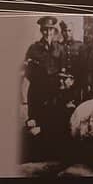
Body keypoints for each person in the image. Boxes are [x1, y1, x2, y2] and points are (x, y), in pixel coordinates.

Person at [21, 16, 67, 156]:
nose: (48, 33)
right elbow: (27, 72)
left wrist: (61, 84)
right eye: (45, 30)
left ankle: (51, 152)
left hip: (54, 91)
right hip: (37, 91)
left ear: (54, 31)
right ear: (41, 31)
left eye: (51, 30)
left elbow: (63, 69)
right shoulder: (34, 48)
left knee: (53, 120)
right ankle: (37, 153)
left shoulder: (59, 48)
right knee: (36, 121)